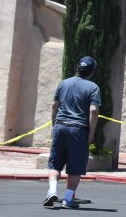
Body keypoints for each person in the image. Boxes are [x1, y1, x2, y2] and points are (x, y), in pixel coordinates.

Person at [44, 56, 102, 209]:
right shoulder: (93, 87)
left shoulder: (64, 83)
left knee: (55, 163)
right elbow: (94, 110)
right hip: (78, 130)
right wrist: (91, 133)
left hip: (60, 126)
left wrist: (54, 125)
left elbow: (54, 106)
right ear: (92, 72)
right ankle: (68, 199)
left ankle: (52, 191)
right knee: (75, 167)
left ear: (77, 68)